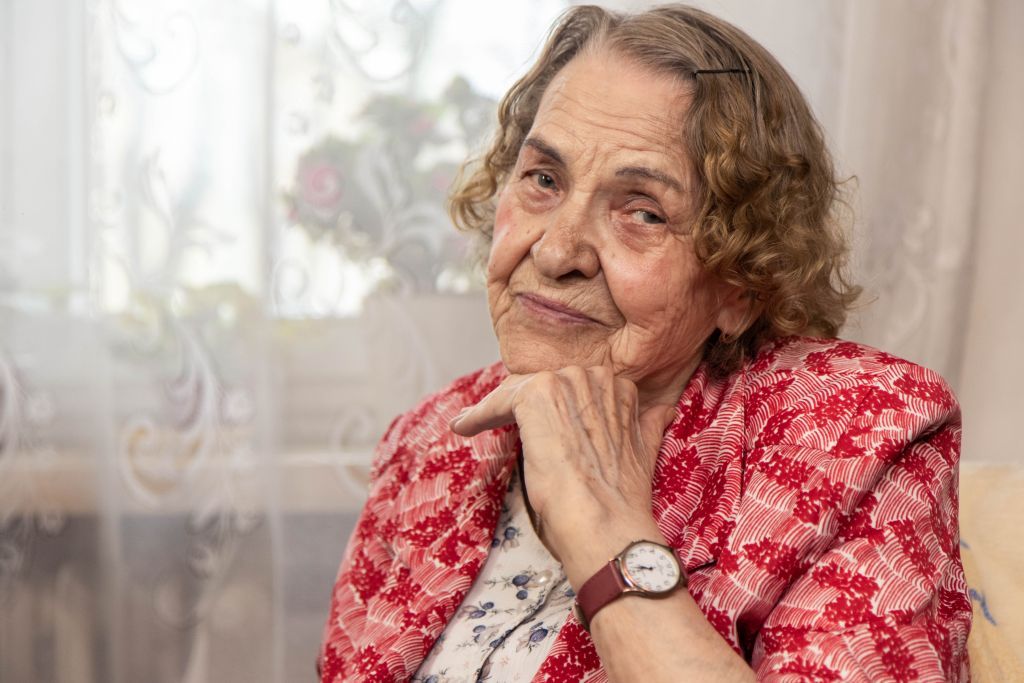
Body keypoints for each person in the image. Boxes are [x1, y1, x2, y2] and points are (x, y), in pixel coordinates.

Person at [319, 4, 971, 681]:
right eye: (543, 179)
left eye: (642, 212)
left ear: (741, 282)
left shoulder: (858, 435)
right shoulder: (429, 445)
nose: (557, 251)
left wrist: (599, 522)